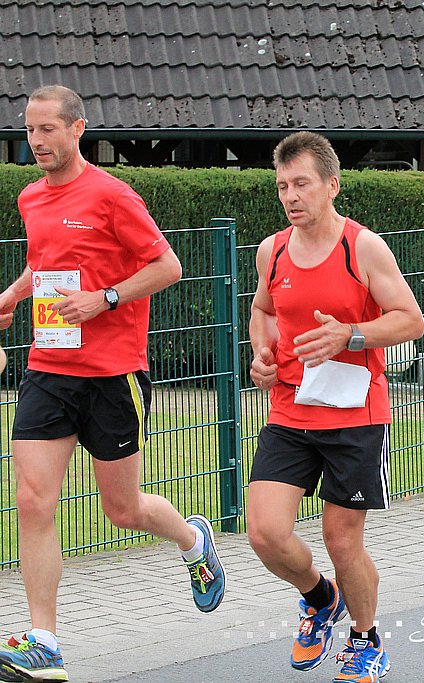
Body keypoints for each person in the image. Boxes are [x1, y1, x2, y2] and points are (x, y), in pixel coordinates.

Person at [0, 85, 225, 682]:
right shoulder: (30, 197)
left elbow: (168, 266)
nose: (36, 141)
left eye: (48, 129)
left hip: (112, 374)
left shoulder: (112, 195)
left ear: (77, 129)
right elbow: (43, 260)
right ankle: (44, 641)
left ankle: (193, 541)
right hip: (49, 369)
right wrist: (13, 296)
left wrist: (103, 299)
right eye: (29, 130)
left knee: (121, 510)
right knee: (32, 500)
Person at [247, 132, 424, 682]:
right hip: (290, 410)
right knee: (264, 533)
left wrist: (350, 334)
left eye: (301, 184)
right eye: (283, 186)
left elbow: (410, 320)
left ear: (331, 185)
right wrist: (261, 354)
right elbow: (263, 311)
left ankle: (366, 641)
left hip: (355, 416)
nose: (291, 196)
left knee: (341, 540)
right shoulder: (272, 251)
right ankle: (321, 597)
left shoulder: (362, 248)